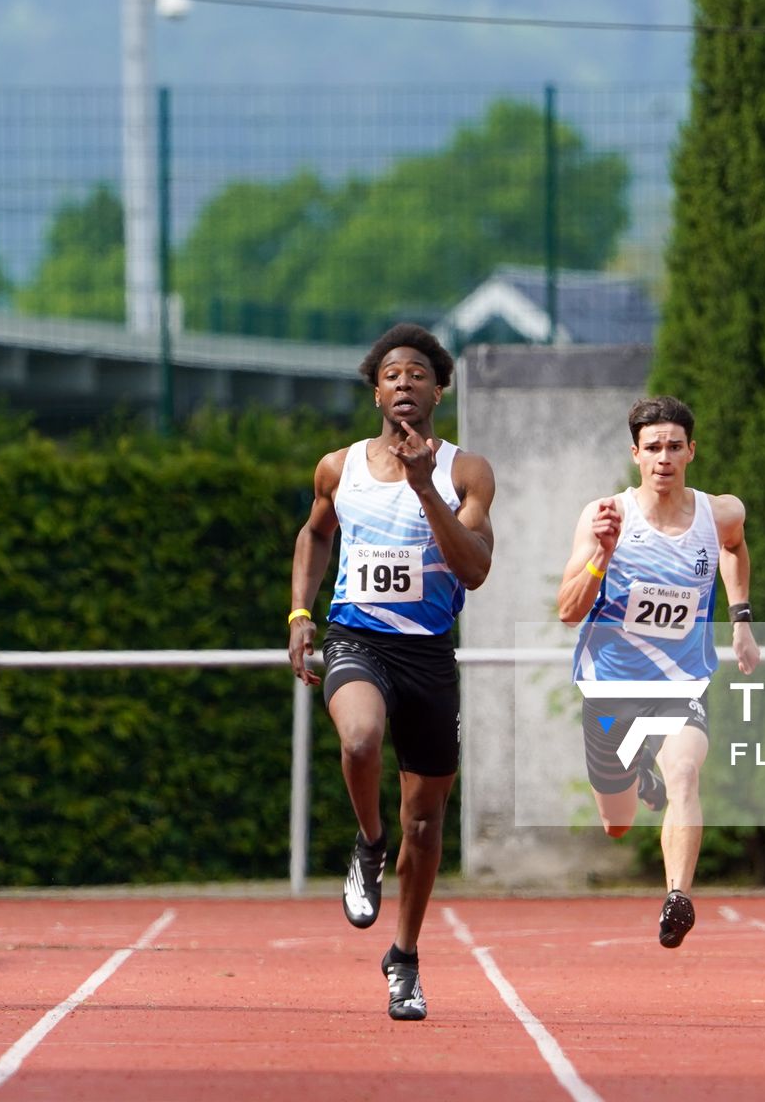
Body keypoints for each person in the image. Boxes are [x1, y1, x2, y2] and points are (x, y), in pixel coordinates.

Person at [287, 323, 495, 1021]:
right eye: (392, 374)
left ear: (439, 390)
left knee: (428, 826)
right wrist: (298, 612)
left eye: (418, 375)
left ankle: (403, 957)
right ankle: (369, 843)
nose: (404, 383)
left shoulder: (466, 472)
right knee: (359, 740)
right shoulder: (336, 467)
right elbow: (316, 533)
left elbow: (474, 570)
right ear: (375, 390)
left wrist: (424, 486)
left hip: (429, 653)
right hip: (357, 639)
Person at [556, 395, 758, 948]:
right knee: (617, 823)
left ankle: (677, 897)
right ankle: (635, 778)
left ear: (691, 451)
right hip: (610, 690)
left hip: (680, 685)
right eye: (652, 448)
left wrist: (740, 618)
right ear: (636, 455)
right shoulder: (606, 517)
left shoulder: (720, 514)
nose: (663, 458)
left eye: (673, 446)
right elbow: (569, 610)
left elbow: (735, 550)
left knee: (686, 775)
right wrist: (602, 554)